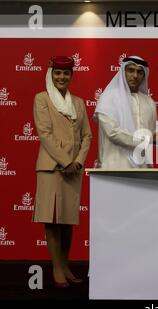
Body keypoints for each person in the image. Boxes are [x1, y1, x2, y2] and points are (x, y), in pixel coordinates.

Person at [33, 56, 92, 288]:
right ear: (51, 74)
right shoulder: (42, 99)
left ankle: (65, 265)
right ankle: (56, 267)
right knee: (52, 219)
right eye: (57, 73)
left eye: (66, 74)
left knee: (67, 220)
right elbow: (44, 134)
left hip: (73, 170)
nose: (61, 77)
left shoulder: (78, 103)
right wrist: (66, 161)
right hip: (51, 167)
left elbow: (87, 135)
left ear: (71, 76)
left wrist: (77, 162)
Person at [94, 56, 158, 168]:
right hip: (115, 167)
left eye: (140, 72)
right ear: (123, 72)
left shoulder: (149, 102)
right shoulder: (109, 97)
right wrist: (147, 139)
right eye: (131, 70)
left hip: (143, 168)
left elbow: (152, 133)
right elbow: (113, 133)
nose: (135, 76)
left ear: (144, 76)